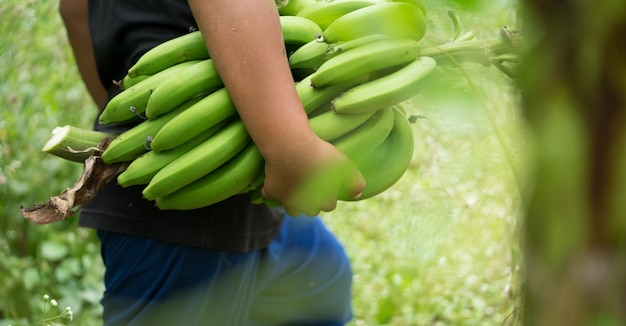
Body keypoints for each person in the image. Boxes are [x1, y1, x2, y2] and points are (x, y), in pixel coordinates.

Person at [58, 0, 366, 325]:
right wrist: (290, 148)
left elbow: (75, 10)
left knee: (321, 282)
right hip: (188, 193)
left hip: (232, 162)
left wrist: (128, 116)